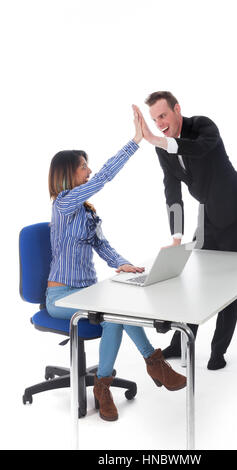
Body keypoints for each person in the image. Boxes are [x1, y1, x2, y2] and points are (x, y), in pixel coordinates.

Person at [45, 107, 186, 422]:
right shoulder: (64, 203)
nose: (90, 170)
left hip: (88, 293)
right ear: (68, 174)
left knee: (123, 309)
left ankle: (136, 371)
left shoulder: (86, 210)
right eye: (83, 167)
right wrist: (135, 142)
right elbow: (106, 176)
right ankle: (114, 381)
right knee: (114, 317)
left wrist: (123, 264)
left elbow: (102, 245)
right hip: (61, 298)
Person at [133, 91, 237, 370]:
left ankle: (218, 350)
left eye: (163, 115)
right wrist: (176, 236)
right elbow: (171, 189)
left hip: (236, 211)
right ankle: (181, 342)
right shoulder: (162, 147)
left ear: (177, 109)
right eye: (154, 119)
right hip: (208, 214)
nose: (159, 123)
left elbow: (197, 148)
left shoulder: (203, 126)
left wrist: (156, 140)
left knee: (229, 284)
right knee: (195, 278)